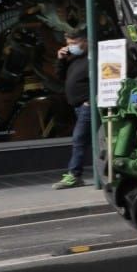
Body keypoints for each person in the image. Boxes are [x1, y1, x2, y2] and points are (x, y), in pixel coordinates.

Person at [55, 31, 92, 188]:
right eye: (68, 43)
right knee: (92, 139)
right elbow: (60, 76)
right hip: (77, 106)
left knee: (79, 139)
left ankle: (74, 175)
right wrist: (61, 60)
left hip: (88, 105)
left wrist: (91, 99)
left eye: (73, 43)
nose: (70, 47)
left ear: (84, 41)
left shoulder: (93, 57)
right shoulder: (75, 59)